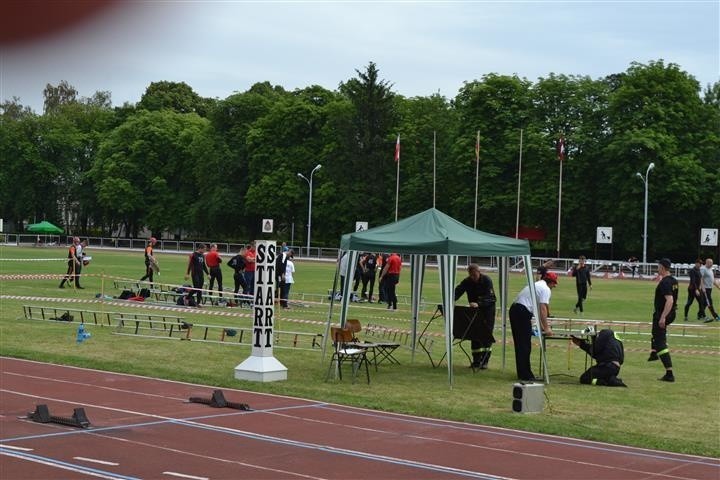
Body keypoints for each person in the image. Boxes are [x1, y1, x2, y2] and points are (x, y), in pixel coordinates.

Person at [508, 272, 557, 381]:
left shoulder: (537, 284)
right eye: (554, 283)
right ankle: (526, 375)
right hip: (521, 311)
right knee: (524, 344)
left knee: (520, 344)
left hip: (515, 310)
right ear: (551, 282)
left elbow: (538, 310)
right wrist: (547, 328)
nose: (555, 286)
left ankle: (522, 373)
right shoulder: (545, 289)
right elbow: (543, 309)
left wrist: (542, 326)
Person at [454, 263, 497, 369]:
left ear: (479, 272)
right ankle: (476, 361)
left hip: (487, 311)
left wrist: (479, 303)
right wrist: (450, 299)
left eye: (474, 275)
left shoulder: (487, 280)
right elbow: (458, 291)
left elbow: (491, 298)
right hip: (474, 311)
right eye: (471, 275)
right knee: (474, 334)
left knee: (486, 335)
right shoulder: (467, 281)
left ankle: (485, 361)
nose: (473, 277)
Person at [648, 258, 678, 382]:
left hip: (664, 314)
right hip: (671, 313)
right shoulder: (674, 280)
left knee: (661, 342)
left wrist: (663, 317)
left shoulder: (665, 282)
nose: (657, 268)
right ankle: (654, 352)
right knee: (655, 333)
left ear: (663, 267)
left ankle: (669, 373)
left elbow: (669, 300)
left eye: (659, 266)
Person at [700, 258, 720, 322]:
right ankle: (716, 316)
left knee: (705, 303)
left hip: (710, 289)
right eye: (710, 263)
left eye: (712, 263)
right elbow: (701, 279)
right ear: (707, 262)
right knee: (709, 303)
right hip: (705, 289)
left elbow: (713, 280)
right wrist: (703, 288)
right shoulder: (703, 269)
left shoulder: (710, 269)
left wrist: (718, 287)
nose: (712, 264)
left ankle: (700, 315)